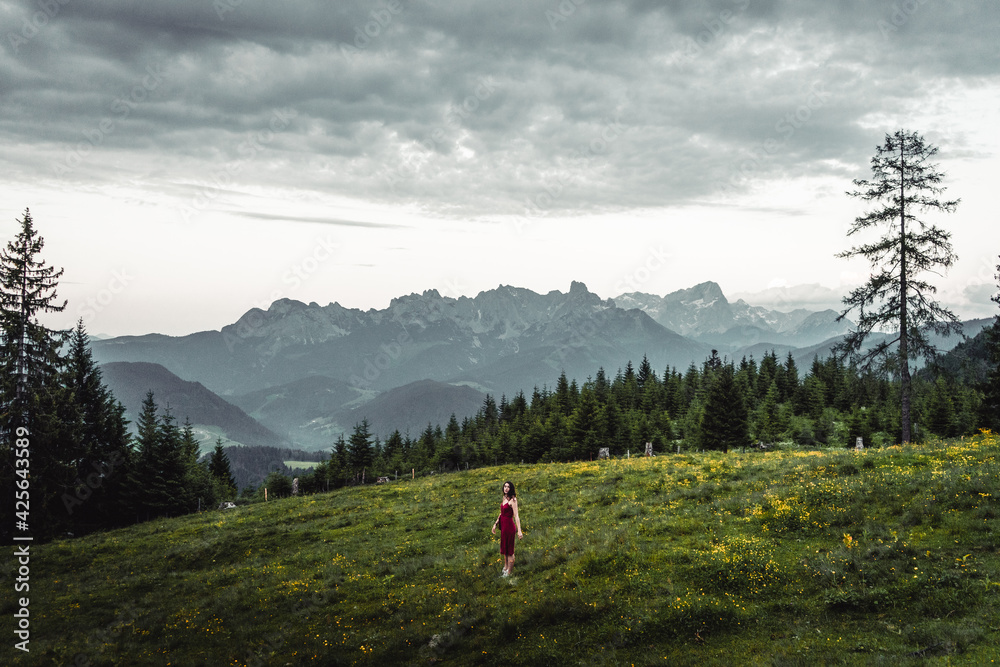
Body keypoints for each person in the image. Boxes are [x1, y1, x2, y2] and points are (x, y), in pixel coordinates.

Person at [490, 480, 523, 576]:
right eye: (505, 486)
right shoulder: (504, 498)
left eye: (508, 487)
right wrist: (495, 524)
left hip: (509, 527)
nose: (506, 488)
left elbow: (516, 516)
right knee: (505, 549)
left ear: (511, 488)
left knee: (510, 551)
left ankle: (509, 573)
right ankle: (506, 567)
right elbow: (501, 513)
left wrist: (519, 531)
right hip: (503, 526)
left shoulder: (513, 500)